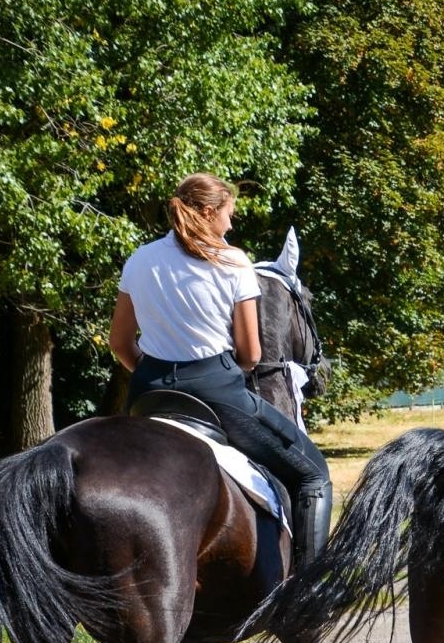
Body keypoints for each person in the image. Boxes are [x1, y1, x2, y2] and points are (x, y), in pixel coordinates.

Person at [110, 173, 333, 569]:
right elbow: (250, 353)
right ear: (210, 212)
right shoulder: (233, 261)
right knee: (313, 474)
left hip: (147, 394)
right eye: (228, 214)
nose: (231, 224)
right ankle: (309, 591)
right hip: (215, 392)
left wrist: (153, 371)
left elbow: (120, 343)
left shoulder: (140, 259)